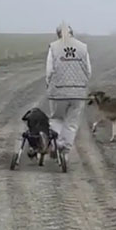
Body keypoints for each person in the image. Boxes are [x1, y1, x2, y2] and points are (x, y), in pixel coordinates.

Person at [45, 22, 92, 162]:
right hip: (78, 93)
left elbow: (49, 70)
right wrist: (82, 84)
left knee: (56, 119)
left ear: (58, 34)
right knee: (72, 123)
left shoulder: (53, 47)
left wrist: (49, 84)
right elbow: (88, 71)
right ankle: (64, 151)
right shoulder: (83, 47)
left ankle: (57, 143)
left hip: (58, 91)